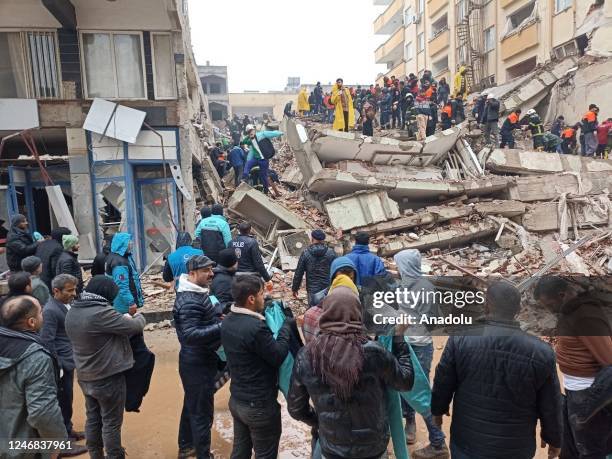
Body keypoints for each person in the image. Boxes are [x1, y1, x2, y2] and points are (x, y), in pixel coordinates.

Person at [431, 281, 563, 459]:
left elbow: (443, 381)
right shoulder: (541, 352)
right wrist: (554, 438)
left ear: (487, 304)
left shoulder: (461, 338)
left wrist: (437, 412)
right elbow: (551, 403)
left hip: (468, 444)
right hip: (515, 448)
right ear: (518, 310)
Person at [287, 278, 414, 459]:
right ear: (357, 312)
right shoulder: (375, 353)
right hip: (373, 448)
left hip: (332, 449)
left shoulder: (306, 356)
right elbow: (406, 382)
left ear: (327, 312)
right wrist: (399, 337)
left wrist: (320, 422)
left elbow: (295, 409)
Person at [66, 275, 146, 459]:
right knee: (111, 422)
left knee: (93, 419)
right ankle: (115, 455)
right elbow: (134, 327)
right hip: (108, 376)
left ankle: (95, 454)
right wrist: (137, 315)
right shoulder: (100, 312)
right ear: (106, 294)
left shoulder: (74, 309)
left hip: (85, 375)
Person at [533, 276, 612, 458]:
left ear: (562, 295)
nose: (549, 310)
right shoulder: (570, 313)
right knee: (572, 444)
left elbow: (608, 360)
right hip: (576, 392)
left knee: (589, 447)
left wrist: (594, 403)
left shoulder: (585, 317)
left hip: (588, 393)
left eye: (550, 304)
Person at [221, 275, 293, 458]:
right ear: (251, 299)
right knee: (265, 454)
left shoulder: (227, 321)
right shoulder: (256, 328)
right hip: (259, 407)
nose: (264, 298)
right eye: (261, 294)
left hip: (237, 401)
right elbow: (277, 355)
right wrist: (286, 327)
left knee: (240, 452)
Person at [0, 295, 74, 456]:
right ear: (31, 322)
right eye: (41, 312)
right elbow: (42, 412)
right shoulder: (36, 358)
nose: (44, 314)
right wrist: (56, 446)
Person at [393, 249, 448, 457]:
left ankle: (438, 441)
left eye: (399, 265)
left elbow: (435, 321)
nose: (397, 269)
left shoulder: (426, 289)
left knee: (421, 391)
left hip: (419, 346)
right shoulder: (401, 286)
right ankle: (410, 423)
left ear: (406, 266)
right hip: (403, 343)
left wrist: (414, 321)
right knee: (403, 385)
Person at [172, 255, 221, 459]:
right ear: (192, 274)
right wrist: (222, 326)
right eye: (205, 271)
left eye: (211, 269)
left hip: (200, 360)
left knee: (192, 405)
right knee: (202, 413)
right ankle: (203, 454)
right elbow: (190, 335)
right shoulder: (189, 301)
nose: (211, 274)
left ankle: (186, 446)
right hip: (197, 363)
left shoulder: (197, 292)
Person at [40, 273, 87, 447]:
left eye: (74, 289)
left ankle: (68, 430)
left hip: (68, 361)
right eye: (70, 290)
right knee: (62, 400)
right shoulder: (51, 310)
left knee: (68, 398)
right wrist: (57, 365)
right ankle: (63, 440)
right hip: (61, 364)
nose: (74, 293)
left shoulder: (64, 305)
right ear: (56, 291)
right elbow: (47, 340)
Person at [302, 255, 357, 343]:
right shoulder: (317, 300)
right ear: (332, 278)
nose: (345, 283)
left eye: (350, 279)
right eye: (340, 279)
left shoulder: (357, 302)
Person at [291, 229, 336, 306]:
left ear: (312, 239)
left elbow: (299, 273)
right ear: (323, 240)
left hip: (312, 289)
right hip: (327, 288)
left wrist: (295, 289)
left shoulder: (306, 253)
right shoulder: (331, 253)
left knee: (312, 311)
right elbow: (336, 271)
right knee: (326, 311)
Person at [105, 232, 143, 315]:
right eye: (128, 241)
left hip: (122, 303)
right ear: (122, 244)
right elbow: (121, 285)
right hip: (122, 305)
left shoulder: (122, 257)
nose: (131, 243)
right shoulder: (119, 262)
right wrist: (131, 302)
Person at [242, 125, 283, 195]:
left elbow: (272, 133)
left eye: (251, 131)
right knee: (247, 165)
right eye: (249, 132)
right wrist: (249, 136)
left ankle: (266, 191)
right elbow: (244, 141)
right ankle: (245, 178)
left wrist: (280, 133)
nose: (251, 132)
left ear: (254, 130)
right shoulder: (250, 140)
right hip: (255, 159)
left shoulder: (261, 135)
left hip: (263, 160)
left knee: (263, 176)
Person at [230, 222, 272, 287]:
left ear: (239, 230)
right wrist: (267, 279)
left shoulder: (231, 242)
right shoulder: (252, 242)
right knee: (270, 272)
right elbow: (258, 262)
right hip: (251, 274)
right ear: (249, 230)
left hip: (235, 273)